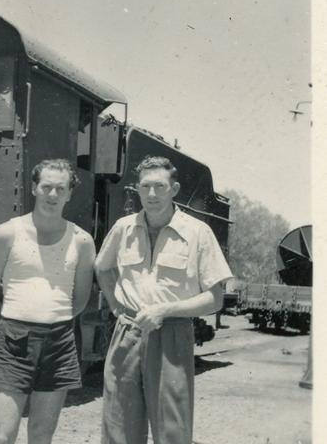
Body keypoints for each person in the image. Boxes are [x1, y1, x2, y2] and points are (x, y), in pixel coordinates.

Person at [95, 156, 233, 444]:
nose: (152, 194)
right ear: (137, 189)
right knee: (118, 427)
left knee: (172, 429)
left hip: (171, 334)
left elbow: (215, 298)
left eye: (160, 186)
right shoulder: (123, 228)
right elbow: (102, 267)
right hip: (127, 333)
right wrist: (116, 306)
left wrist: (166, 309)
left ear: (175, 189)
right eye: (146, 187)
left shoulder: (197, 232)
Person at [0, 159, 96, 444]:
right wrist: (5, 331)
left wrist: (51, 320)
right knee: (2, 435)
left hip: (59, 341)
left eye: (60, 189)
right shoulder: (6, 234)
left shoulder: (82, 241)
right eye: (46, 187)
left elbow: (79, 299)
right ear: (34, 188)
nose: (52, 195)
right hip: (13, 338)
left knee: (42, 435)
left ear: (69, 193)